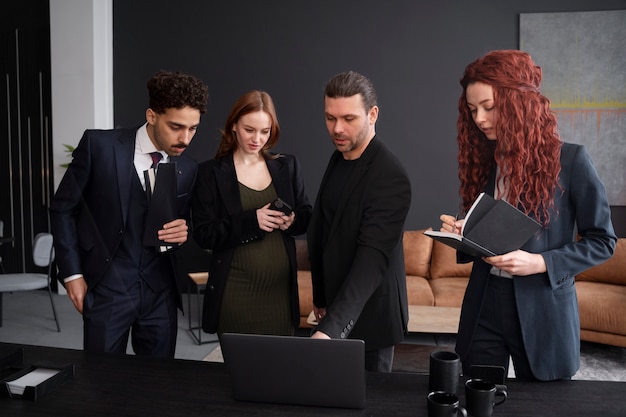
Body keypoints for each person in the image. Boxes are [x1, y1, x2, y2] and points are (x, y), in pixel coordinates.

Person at [440, 50, 616, 381]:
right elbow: (494, 236)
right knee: (479, 394)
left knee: (543, 404)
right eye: (473, 109)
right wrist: (468, 231)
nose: (479, 119)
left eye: (488, 108)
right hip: (484, 302)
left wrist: (540, 263)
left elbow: (603, 242)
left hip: (543, 305)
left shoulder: (573, 161)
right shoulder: (488, 161)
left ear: (518, 102)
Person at [50, 70, 209, 358]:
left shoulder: (189, 168)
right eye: (176, 126)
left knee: (158, 385)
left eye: (193, 128)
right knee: (101, 383)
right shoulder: (99, 147)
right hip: (109, 287)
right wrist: (72, 275)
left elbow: (181, 227)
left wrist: (184, 232)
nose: (185, 139)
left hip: (160, 292)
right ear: (151, 115)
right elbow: (63, 209)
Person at [307, 71, 412, 372]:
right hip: (334, 309)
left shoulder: (390, 175)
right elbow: (326, 229)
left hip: (370, 320)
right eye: (330, 118)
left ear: (373, 114)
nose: (337, 129)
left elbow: (372, 259)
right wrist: (321, 296)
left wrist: (331, 328)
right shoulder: (341, 155)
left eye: (349, 119)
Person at [192, 90, 312, 336]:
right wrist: (252, 221)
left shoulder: (287, 166)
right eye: (249, 130)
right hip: (236, 293)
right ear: (234, 125)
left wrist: (292, 220)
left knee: (280, 371)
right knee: (240, 372)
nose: (257, 139)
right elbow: (204, 234)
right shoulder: (210, 172)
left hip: (280, 294)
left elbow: (306, 217)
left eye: (265, 131)